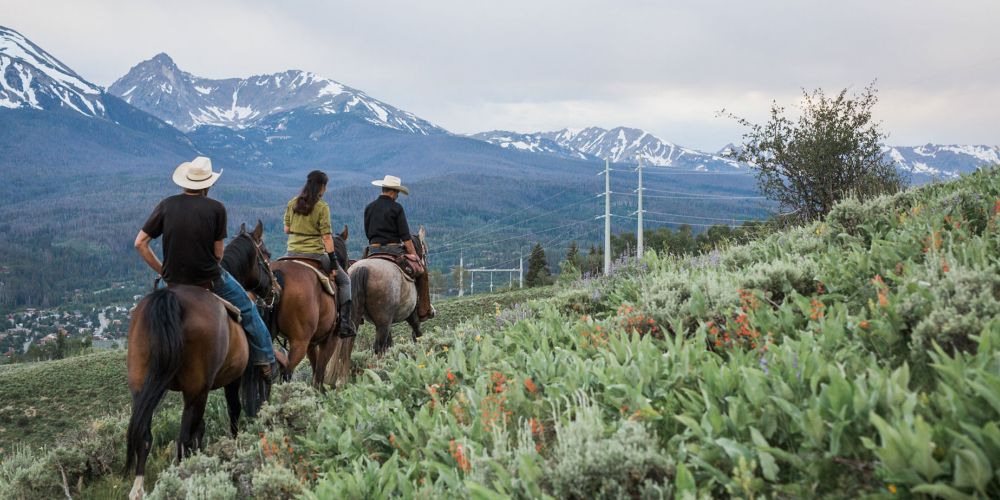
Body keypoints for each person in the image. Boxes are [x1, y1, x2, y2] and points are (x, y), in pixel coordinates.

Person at [134, 156, 281, 378]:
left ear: (185, 182)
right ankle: (267, 361)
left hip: (172, 280)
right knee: (249, 310)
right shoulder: (216, 208)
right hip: (209, 279)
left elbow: (140, 243)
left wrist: (162, 270)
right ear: (209, 185)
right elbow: (219, 254)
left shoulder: (166, 205)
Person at [282, 170, 355, 337]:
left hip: (291, 253)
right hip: (314, 254)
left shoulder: (292, 203)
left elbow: (286, 229)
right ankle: (344, 323)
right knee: (345, 282)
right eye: (326, 186)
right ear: (322, 187)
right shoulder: (322, 207)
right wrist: (334, 263)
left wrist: (300, 228)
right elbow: (328, 238)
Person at [363, 175, 434, 321]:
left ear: (383, 189)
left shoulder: (369, 207)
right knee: (422, 272)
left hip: (373, 250)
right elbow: (406, 238)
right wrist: (416, 257)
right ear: (393, 192)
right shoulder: (396, 208)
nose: (397, 196)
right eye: (397, 193)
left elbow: (368, 233)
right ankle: (424, 310)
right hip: (393, 250)